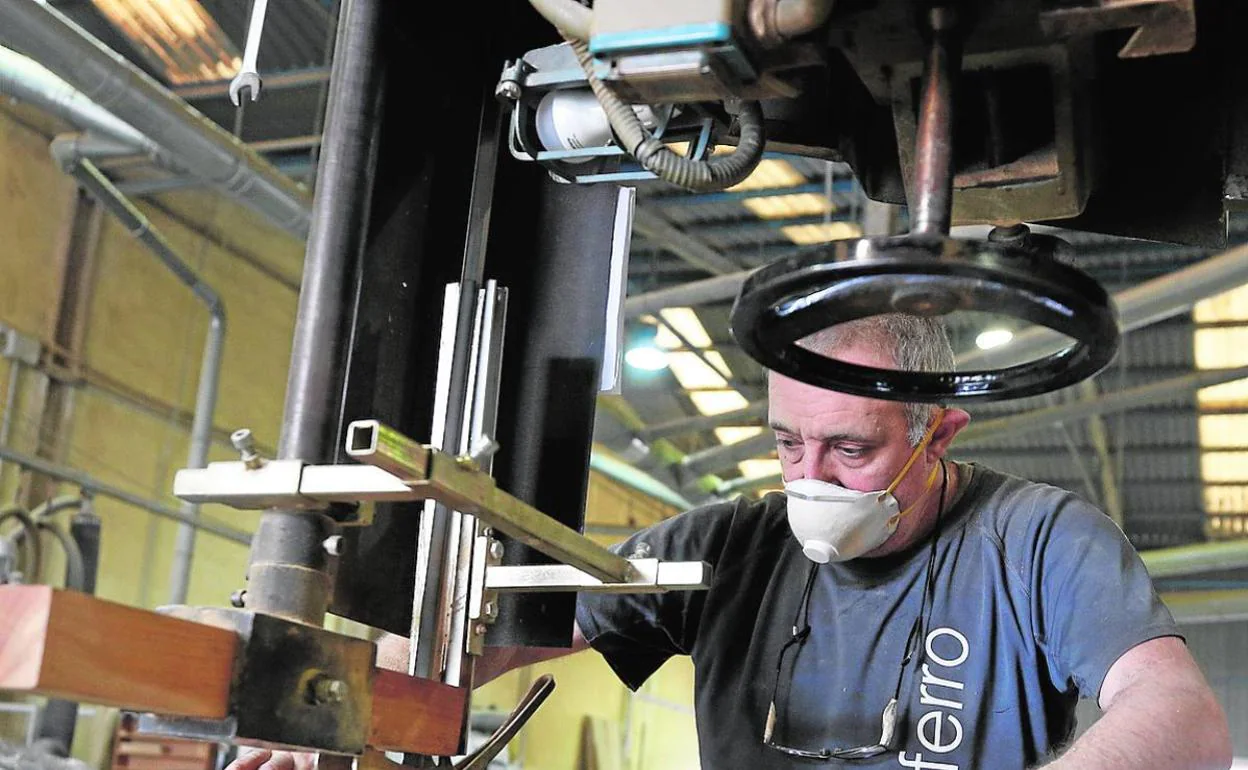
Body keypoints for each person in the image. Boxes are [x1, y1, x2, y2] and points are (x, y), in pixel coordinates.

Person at [231, 315, 1231, 770]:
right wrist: (333, 692)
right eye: (787, 440)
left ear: (940, 429)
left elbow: (1181, 716)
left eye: (851, 447)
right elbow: (505, 634)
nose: (810, 477)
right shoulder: (728, 542)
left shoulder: (1039, 542)